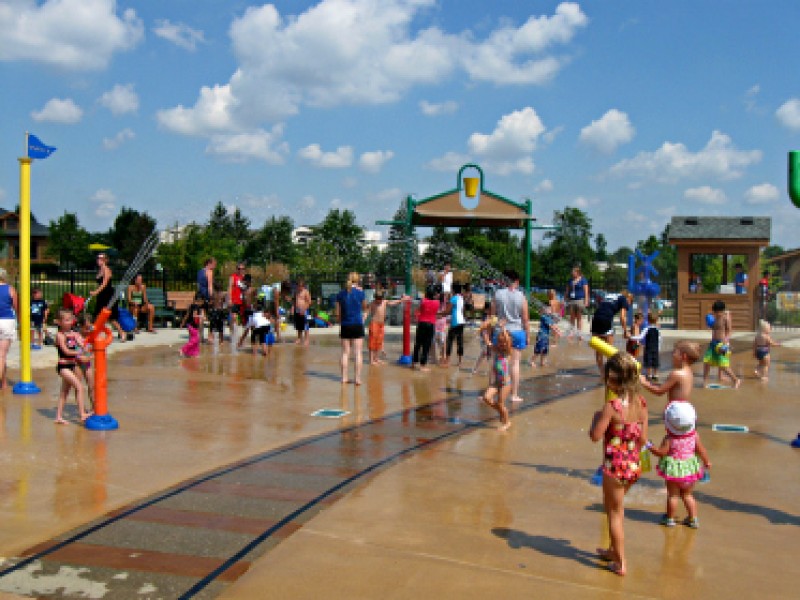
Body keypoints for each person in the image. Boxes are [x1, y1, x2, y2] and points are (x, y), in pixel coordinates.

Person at [589, 352, 648, 577]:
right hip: (633, 466)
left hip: (614, 467)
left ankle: (621, 562)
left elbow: (595, 436)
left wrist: (596, 418)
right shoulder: (641, 403)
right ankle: (613, 550)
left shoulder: (611, 407)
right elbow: (642, 440)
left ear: (612, 380)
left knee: (614, 513)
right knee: (616, 509)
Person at [647, 401, 711, 529]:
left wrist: (650, 446)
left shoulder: (669, 439)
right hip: (689, 470)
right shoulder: (694, 436)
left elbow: (661, 453)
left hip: (674, 472)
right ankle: (693, 519)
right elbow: (701, 450)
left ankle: (670, 519)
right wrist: (706, 461)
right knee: (688, 495)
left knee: (673, 496)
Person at [491, 270, 529, 403]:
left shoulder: (497, 294)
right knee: (515, 364)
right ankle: (514, 394)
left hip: (501, 332)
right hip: (517, 332)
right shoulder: (521, 296)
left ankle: (495, 391)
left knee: (498, 362)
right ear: (517, 282)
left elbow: (493, 316)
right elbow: (525, 319)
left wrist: (491, 332)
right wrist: (527, 335)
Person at [53, 309, 91, 424]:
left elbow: (83, 344)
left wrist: (87, 349)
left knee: (64, 392)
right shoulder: (60, 335)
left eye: (71, 319)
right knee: (79, 387)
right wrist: (80, 353)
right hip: (63, 367)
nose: (70, 322)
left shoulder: (74, 334)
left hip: (72, 365)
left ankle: (58, 417)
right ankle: (82, 414)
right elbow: (66, 351)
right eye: (66, 320)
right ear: (59, 322)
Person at [640, 340, 701, 406]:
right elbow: (668, 386)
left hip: (677, 408)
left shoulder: (676, 374)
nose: (672, 355)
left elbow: (659, 391)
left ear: (683, 356)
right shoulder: (689, 372)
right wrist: (652, 383)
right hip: (687, 407)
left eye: (674, 352)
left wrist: (644, 383)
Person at [336, 272, 367, 385]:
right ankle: (357, 379)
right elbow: (364, 307)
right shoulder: (360, 293)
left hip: (345, 324)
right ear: (357, 280)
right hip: (357, 324)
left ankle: (344, 377)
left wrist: (341, 323)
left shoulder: (340, 294)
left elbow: (337, 313)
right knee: (358, 352)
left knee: (345, 353)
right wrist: (364, 315)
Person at [702, 300, 740, 388]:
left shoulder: (725, 318)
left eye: (718, 312)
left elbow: (729, 331)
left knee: (723, 365)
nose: (716, 313)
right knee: (706, 361)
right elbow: (712, 327)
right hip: (713, 343)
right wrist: (709, 324)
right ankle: (705, 381)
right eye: (715, 312)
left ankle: (736, 380)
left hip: (722, 344)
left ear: (722, 311)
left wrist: (726, 342)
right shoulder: (713, 318)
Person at [480, 326, 512, 431]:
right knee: (486, 398)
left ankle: (507, 423)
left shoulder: (507, 352)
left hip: (505, 383)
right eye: (500, 342)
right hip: (496, 382)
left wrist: (503, 329)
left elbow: (506, 340)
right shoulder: (495, 349)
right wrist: (484, 331)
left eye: (504, 342)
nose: (502, 344)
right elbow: (487, 341)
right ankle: (500, 411)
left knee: (501, 403)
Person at [590, 293, 631, 373]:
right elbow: (622, 317)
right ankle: (610, 373)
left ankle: (602, 373)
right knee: (610, 350)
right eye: (629, 304)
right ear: (629, 300)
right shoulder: (623, 299)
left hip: (595, 319)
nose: (628, 306)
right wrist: (626, 331)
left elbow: (601, 307)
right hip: (606, 320)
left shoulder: (609, 296)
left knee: (599, 350)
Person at [89, 253, 125, 341]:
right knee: (99, 315)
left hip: (108, 295)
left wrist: (95, 292)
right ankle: (98, 333)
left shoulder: (106, 270)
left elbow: (105, 284)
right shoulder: (100, 270)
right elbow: (100, 284)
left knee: (110, 316)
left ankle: (122, 333)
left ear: (105, 260)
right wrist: (96, 291)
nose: (98, 260)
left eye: (101, 259)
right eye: (98, 258)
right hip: (102, 295)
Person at [366, 290, 403, 365]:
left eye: (380, 299)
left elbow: (392, 303)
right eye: (377, 299)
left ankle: (376, 358)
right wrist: (364, 317)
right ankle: (371, 360)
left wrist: (400, 300)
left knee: (379, 342)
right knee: (372, 342)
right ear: (375, 298)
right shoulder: (372, 304)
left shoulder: (384, 302)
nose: (379, 301)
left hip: (381, 324)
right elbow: (367, 312)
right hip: (374, 323)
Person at [411, 287, 440, 372]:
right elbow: (435, 311)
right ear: (434, 295)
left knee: (418, 344)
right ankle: (422, 365)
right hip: (431, 324)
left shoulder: (423, 301)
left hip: (421, 323)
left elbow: (419, 309)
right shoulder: (437, 303)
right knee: (426, 345)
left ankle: (414, 363)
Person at [0, 268, 18, 390]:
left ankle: (4, 382)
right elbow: (16, 307)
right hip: (6, 321)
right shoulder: (10, 289)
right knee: (2, 355)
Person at [442, 283, 466, 367]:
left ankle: (447, 361)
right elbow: (462, 310)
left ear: (454, 290)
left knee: (450, 341)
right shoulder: (461, 298)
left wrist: (439, 313)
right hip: (461, 321)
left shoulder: (453, 298)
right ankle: (460, 361)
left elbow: (448, 311)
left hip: (455, 321)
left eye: (452, 289)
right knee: (460, 341)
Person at [565, 266, 589, 336]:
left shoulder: (583, 280)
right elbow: (567, 290)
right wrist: (565, 297)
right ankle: (571, 332)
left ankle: (579, 333)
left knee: (579, 317)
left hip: (580, 300)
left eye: (573, 272)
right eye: (572, 272)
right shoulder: (570, 280)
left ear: (577, 272)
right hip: (571, 300)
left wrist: (586, 300)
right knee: (572, 317)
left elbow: (586, 291)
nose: (572, 273)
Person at [179, 293, 205, 358]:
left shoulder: (191, 306)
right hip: (193, 325)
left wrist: (183, 322)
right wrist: (201, 317)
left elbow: (187, 315)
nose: (202, 303)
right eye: (202, 301)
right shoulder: (196, 307)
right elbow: (195, 316)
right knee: (195, 339)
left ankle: (193, 353)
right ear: (200, 300)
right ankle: (183, 349)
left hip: (189, 325)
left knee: (194, 339)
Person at [639, 311, 661, 381]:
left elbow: (640, 337)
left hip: (648, 348)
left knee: (648, 362)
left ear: (648, 320)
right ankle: (656, 375)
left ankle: (649, 375)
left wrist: (630, 337)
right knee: (655, 362)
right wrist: (659, 348)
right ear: (656, 320)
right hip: (655, 348)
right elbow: (660, 339)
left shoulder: (646, 329)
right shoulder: (657, 330)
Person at [292, 278, 312, 346]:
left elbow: (309, 302)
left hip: (304, 310)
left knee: (305, 325)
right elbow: (294, 301)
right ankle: (299, 338)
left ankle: (307, 339)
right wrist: (293, 308)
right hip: (297, 310)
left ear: (303, 286)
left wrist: (304, 309)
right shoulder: (296, 292)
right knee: (299, 325)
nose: (299, 287)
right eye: (298, 286)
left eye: (301, 286)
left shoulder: (306, 292)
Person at [228, 263, 247, 332]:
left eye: (242, 269)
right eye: (239, 269)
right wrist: (229, 299)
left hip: (243, 300)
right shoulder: (233, 277)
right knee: (234, 317)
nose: (240, 270)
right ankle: (232, 332)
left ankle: (242, 334)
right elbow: (229, 288)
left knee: (244, 318)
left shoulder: (245, 278)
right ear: (236, 269)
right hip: (235, 300)